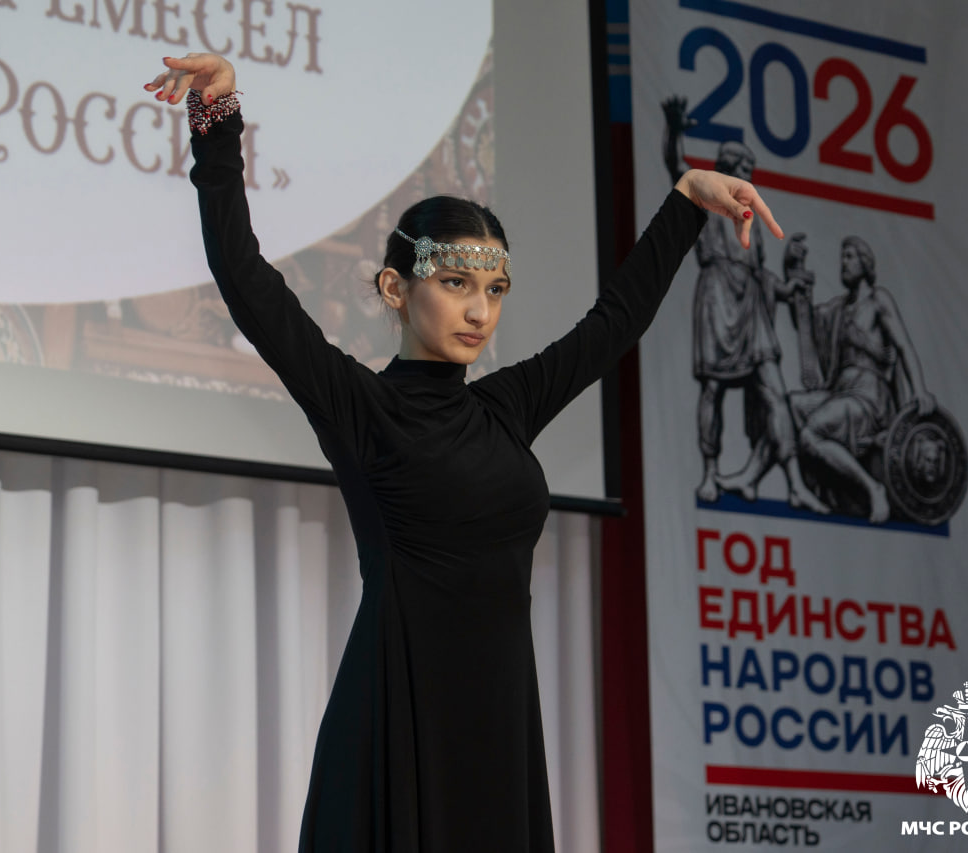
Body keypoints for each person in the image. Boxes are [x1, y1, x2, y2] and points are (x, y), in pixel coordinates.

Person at [146, 53, 785, 852]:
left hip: (500, 724)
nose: (480, 311)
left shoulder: (507, 406)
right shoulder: (364, 410)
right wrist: (216, 121)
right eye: (455, 283)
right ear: (395, 288)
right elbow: (244, 277)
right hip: (399, 715)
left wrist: (687, 199)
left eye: (494, 290)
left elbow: (614, 322)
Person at [661, 99, 827, 512]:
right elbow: (675, 164)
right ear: (728, 169)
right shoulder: (704, 198)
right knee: (713, 390)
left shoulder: (751, 217)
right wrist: (674, 128)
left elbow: (760, 272)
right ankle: (709, 472)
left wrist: (786, 289)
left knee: (775, 392)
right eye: (745, 170)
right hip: (717, 299)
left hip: (751, 306)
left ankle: (794, 482)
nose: (750, 178)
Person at [789, 237, 936, 523]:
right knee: (790, 405)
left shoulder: (878, 300)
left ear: (865, 263)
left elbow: (904, 346)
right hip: (840, 391)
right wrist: (794, 270)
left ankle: (873, 488)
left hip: (868, 396)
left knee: (810, 435)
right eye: (842, 257)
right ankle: (804, 485)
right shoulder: (838, 308)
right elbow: (805, 322)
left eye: (850, 257)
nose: (843, 263)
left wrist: (920, 390)